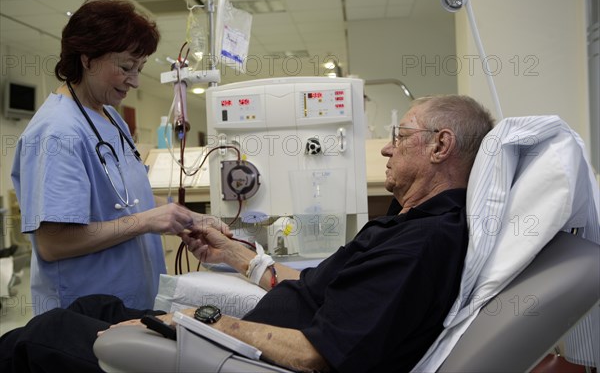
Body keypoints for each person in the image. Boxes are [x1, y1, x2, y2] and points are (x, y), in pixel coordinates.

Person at [1, 95, 494, 372]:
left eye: (399, 137)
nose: (388, 150)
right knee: (93, 307)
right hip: (248, 337)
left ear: (440, 146)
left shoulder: (423, 243)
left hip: (247, 361)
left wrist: (202, 319)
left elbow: (316, 354)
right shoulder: (403, 223)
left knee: (48, 334)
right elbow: (312, 292)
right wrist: (237, 255)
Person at [9, 0, 229, 316]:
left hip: (131, 302)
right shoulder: (57, 133)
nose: (135, 80)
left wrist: (186, 218)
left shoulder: (112, 119)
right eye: (126, 67)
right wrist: (146, 222)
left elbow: (128, 201)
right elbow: (53, 243)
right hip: (84, 316)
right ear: (87, 59)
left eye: (139, 69)